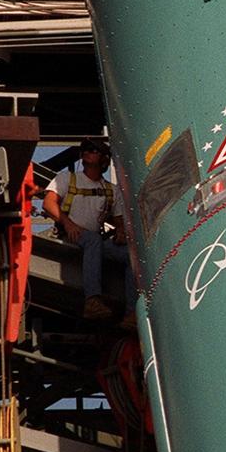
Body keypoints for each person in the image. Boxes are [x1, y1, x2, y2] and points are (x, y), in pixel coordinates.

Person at [42, 137, 137, 323]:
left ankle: (132, 314)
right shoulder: (67, 179)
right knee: (93, 239)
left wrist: (120, 231)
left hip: (93, 240)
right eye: (85, 150)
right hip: (69, 235)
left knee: (130, 256)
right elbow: (48, 204)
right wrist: (68, 224)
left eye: (93, 150)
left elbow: (119, 220)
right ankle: (92, 300)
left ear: (103, 160)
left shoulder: (111, 190)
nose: (87, 152)